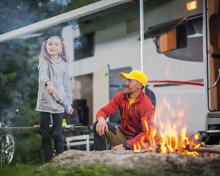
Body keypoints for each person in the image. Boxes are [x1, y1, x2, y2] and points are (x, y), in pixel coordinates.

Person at [93, 70, 154, 151]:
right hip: (122, 135)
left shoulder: (146, 105)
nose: (125, 83)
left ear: (139, 85)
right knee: (98, 125)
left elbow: (147, 133)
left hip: (136, 142)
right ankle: (100, 156)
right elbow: (103, 111)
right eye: (126, 80)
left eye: (129, 81)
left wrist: (126, 145)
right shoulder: (121, 96)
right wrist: (101, 120)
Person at [36, 35, 73, 163]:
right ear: (46, 46)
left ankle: (59, 163)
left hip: (59, 104)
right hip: (45, 103)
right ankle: (48, 164)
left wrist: (68, 104)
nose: (53, 46)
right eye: (50, 44)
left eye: (56, 44)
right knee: (46, 136)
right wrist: (48, 82)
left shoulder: (64, 65)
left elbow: (67, 86)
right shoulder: (43, 60)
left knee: (58, 135)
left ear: (61, 47)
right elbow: (42, 75)